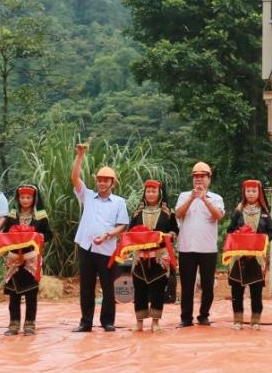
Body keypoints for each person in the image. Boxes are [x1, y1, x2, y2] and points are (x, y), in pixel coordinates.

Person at [71, 142, 129, 332]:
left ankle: (107, 321)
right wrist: (80, 156)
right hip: (86, 247)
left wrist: (107, 235)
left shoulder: (119, 202)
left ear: (113, 183)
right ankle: (85, 322)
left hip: (107, 249)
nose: (102, 183)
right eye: (100, 180)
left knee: (108, 286)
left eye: (106, 180)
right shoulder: (87, 196)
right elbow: (74, 178)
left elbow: (123, 226)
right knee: (86, 286)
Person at [174, 161, 225, 327]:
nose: (198, 180)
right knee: (187, 285)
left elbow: (218, 216)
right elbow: (178, 213)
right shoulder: (184, 196)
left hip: (208, 248)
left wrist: (204, 199)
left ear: (209, 178)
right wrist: (192, 197)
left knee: (207, 285)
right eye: (196, 177)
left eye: (202, 176)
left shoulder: (216, 198)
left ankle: (204, 315)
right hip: (186, 247)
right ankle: (186, 318)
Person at [128, 179, 179, 332]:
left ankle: (155, 322)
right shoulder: (137, 212)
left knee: (158, 289)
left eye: (153, 191)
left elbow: (175, 231)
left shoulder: (168, 213)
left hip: (159, 255)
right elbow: (130, 232)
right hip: (140, 257)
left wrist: (169, 235)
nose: (150, 194)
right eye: (148, 191)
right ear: (144, 193)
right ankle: (139, 323)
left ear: (159, 193)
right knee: (139, 289)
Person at [2, 183, 51, 335]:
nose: (25, 200)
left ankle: (30, 324)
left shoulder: (40, 216)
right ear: (18, 198)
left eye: (28, 197)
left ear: (34, 199)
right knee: (14, 293)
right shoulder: (12, 215)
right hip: (14, 258)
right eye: (22, 197)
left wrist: (41, 236)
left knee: (30, 293)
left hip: (31, 258)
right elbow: (4, 234)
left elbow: (48, 234)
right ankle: (13, 324)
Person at [227, 179, 272, 330]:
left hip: (257, 258)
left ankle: (255, 320)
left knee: (256, 290)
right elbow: (230, 230)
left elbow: (271, 232)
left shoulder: (265, 213)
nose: (251, 194)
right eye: (248, 191)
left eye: (254, 191)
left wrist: (260, 239)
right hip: (239, 257)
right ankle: (238, 320)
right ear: (244, 193)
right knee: (236, 289)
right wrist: (238, 234)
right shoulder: (238, 211)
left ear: (259, 193)